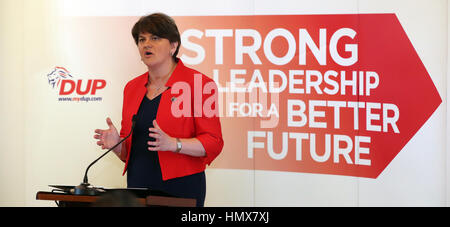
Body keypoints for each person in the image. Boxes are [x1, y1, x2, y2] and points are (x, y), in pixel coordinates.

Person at [93, 13, 224, 207]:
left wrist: (174, 144)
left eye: (155, 38)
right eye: (141, 39)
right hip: (137, 187)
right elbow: (130, 151)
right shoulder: (132, 88)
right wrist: (117, 146)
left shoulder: (200, 84)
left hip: (180, 189)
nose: (146, 44)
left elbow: (213, 143)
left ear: (173, 45)